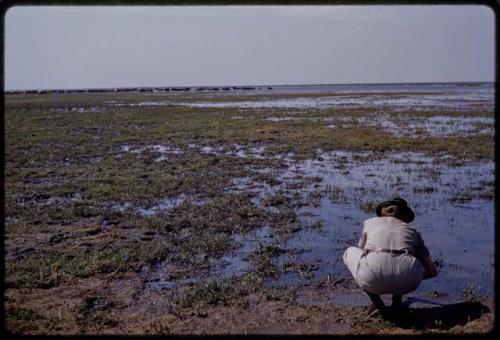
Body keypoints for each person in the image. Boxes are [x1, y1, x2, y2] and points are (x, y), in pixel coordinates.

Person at [342, 197, 438, 314]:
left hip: (372, 279)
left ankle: (376, 302)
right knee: (403, 261)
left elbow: (362, 251)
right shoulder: (413, 231)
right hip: (408, 283)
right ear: (404, 217)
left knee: (350, 252)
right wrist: (409, 276)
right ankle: (397, 301)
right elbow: (432, 272)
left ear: (382, 213)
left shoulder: (370, 223)